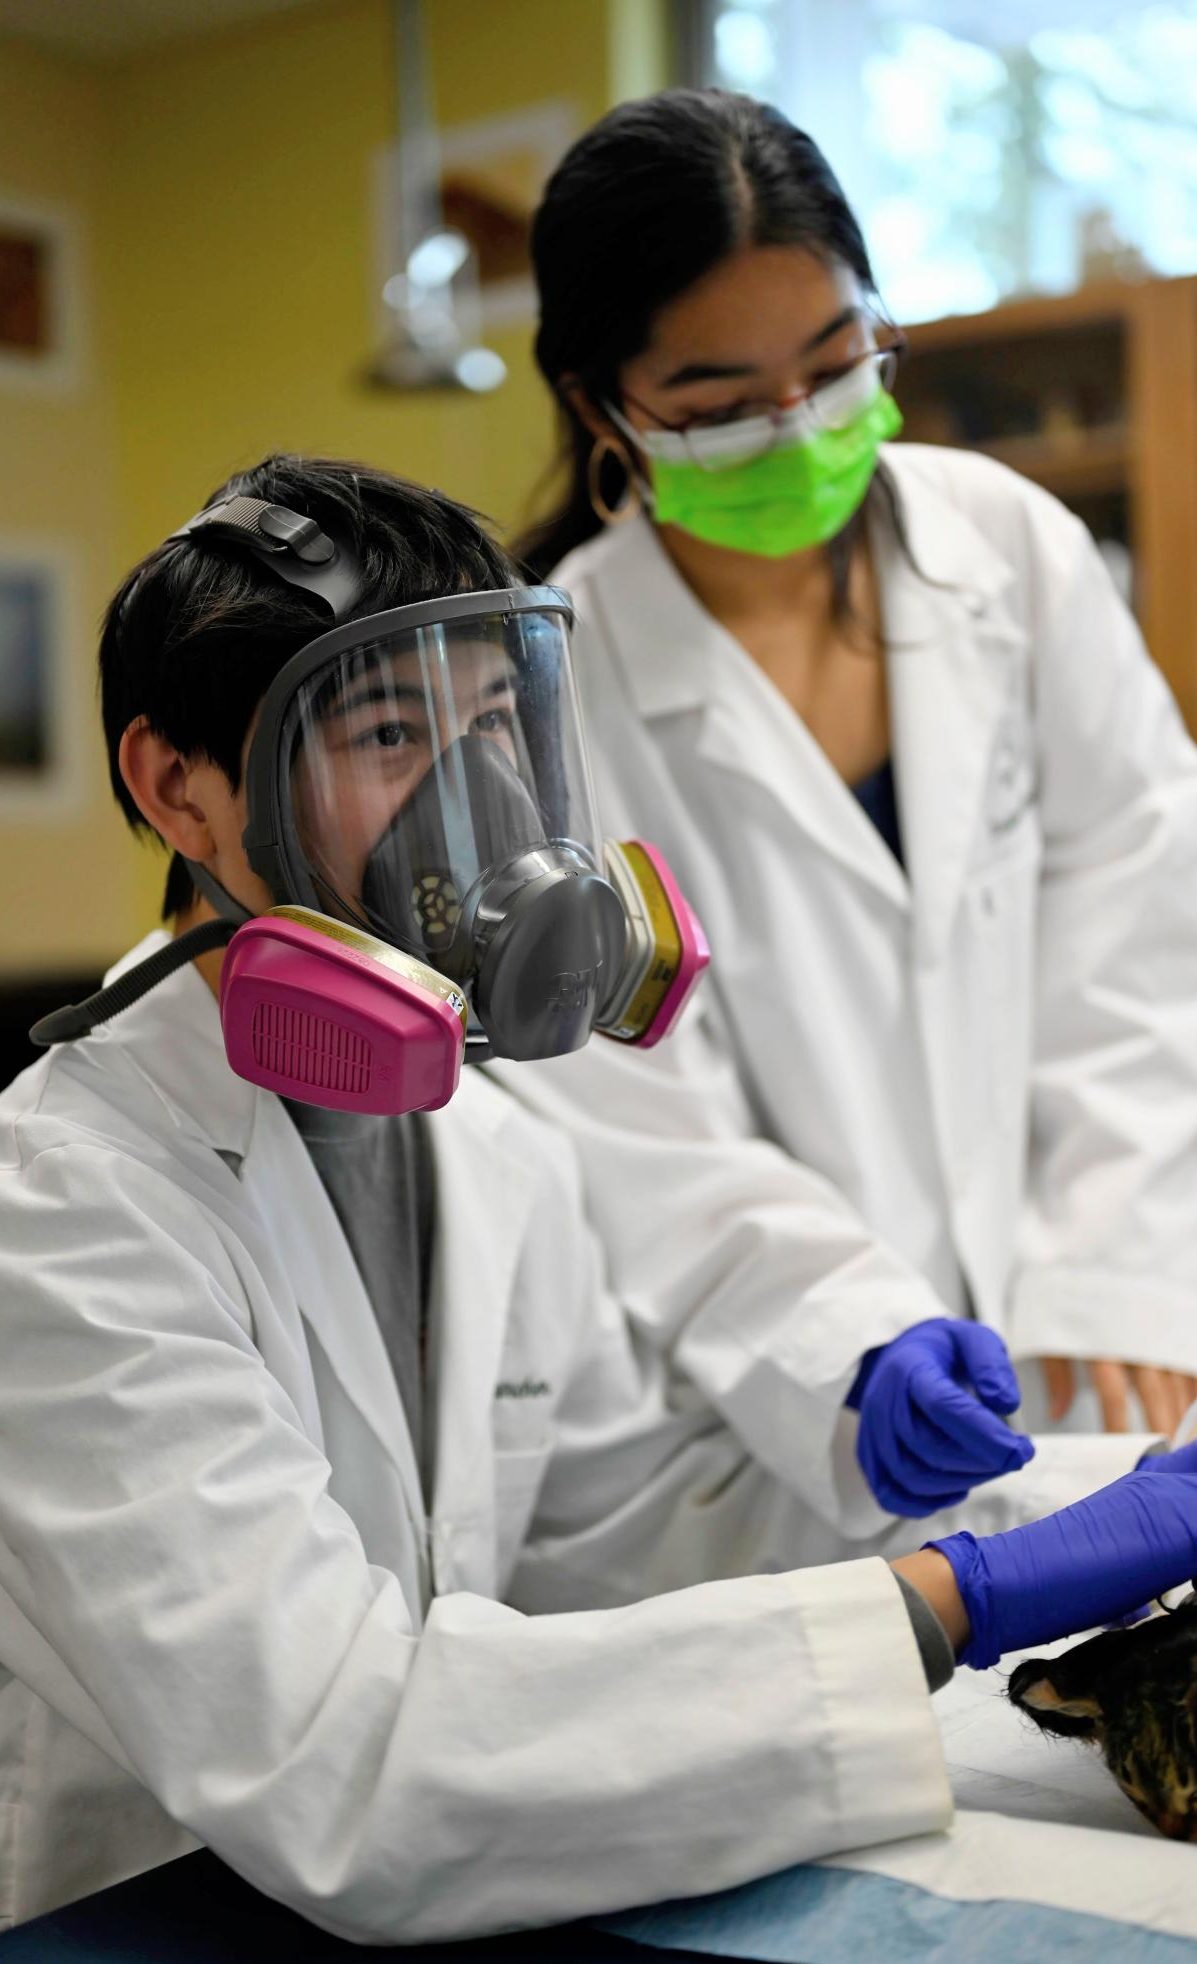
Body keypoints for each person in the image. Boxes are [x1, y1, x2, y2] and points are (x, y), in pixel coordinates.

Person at [3, 453, 1196, 1946]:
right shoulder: (65, 1209)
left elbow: (625, 1534)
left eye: (499, 726)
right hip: (135, 1921)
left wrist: (1034, 1489)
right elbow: (343, 1757)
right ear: (177, 788)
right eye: (389, 734)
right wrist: (960, 1595)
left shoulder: (486, 1151)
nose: (481, 806)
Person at [514, 86, 1197, 1446]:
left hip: (1106, 1341)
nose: (796, 422)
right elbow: (632, 1116)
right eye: (719, 403)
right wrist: (850, 1338)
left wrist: (1110, 1270)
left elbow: (1143, 925)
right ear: (603, 407)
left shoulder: (1007, 549)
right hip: (783, 1405)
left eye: (833, 366)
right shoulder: (550, 698)